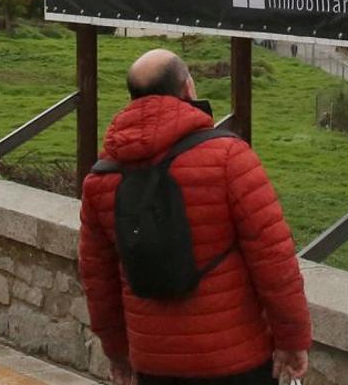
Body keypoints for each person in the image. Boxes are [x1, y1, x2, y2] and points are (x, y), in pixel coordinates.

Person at [78, 49, 311, 385]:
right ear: (188, 88)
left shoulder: (100, 179)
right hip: (236, 358)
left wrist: (117, 352)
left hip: (154, 362)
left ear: (132, 98)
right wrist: (292, 341)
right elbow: (273, 260)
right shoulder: (229, 157)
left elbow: (98, 281)